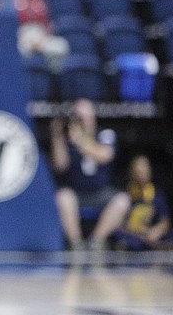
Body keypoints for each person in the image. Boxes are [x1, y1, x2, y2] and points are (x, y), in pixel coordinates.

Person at [50, 98, 121, 250]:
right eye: (77, 117)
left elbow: (104, 155)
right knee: (63, 196)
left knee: (122, 200)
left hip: (101, 192)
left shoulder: (104, 134)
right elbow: (60, 166)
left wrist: (80, 140)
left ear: (92, 117)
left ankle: (96, 241)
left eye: (84, 117)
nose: (81, 121)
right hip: (76, 192)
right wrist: (57, 139)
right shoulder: (68, 138)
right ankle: (76, 244)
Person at [92, 154, 173, 252]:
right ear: (132, 172)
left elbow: (165, 221)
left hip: (151, 235)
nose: (141, 172)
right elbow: (119, 224)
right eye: (138, 169)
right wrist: (135, 232)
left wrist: (156, 231)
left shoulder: (158, 195)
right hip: (131, 236)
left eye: (145, 168)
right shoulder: (125, 195)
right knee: (121, 239)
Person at [12, 0, 69, 69]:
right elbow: (11, 25)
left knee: (61, 46)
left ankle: (51, 80)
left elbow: (49, 23)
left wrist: (43, 37)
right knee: (19, 51)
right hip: (22, 36)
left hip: (40, 35)